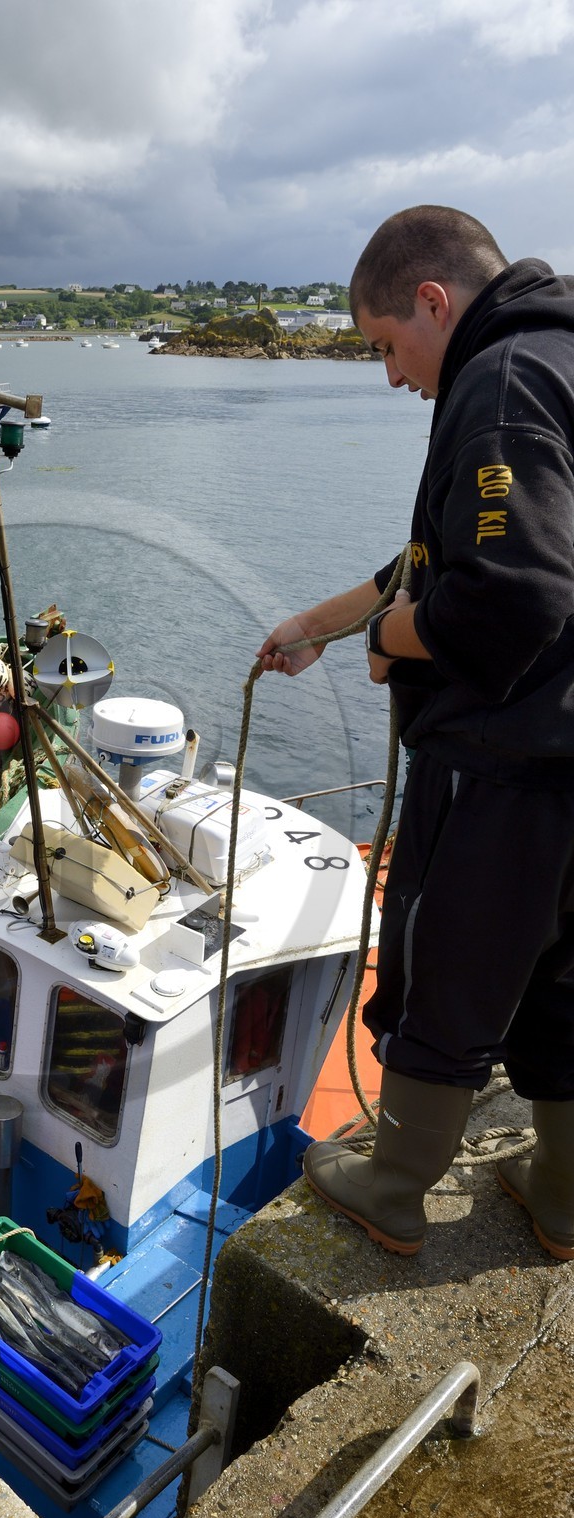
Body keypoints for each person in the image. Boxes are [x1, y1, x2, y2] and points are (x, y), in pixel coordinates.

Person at [258, 204, 574, 1261]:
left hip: (506, 760)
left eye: (387, 346)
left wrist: (389, 643)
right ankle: (561, 1192)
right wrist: (319, 622)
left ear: (433, 300)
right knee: (561, 974)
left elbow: (507, 593)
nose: (391, 376)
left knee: (445, 959)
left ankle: (393, 1183)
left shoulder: (494, 388)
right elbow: (439, 559)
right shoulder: (556, 358)